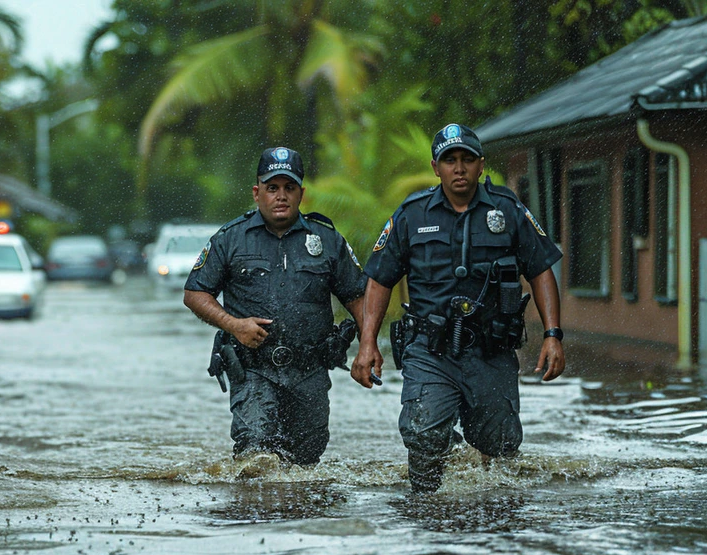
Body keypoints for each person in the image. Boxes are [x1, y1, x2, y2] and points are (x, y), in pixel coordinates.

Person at [352, 123, 565, 492]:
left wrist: (553, 335)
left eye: (467, 159)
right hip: (429, 350)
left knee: (499, 447)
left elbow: (541, 271)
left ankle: (486, 520)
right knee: (422, 433)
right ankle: (425, 510)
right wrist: (367, 343)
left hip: (492, 349)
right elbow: (380, 279)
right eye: (450, 160)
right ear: (436, 167)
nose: (459, 168)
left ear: (481, 164)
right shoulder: (412, 214)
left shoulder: (508, 211)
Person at [184, 146, 369, 466]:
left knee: (306, 462)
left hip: (310, 370)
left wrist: (368, 348)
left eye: (289, 188)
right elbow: (195, 293)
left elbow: (358, 298)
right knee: (255, 457)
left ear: (301, 193)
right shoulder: (230, 239)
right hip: (253, 369)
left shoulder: (327, 241)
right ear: (257, 193)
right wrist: (234, 325)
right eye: (272, 188)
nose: (280, 196)